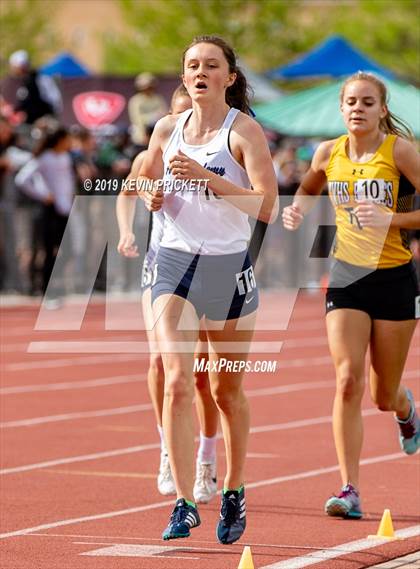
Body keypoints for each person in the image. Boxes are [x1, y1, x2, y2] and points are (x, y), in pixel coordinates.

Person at [117, 35, 278, 544]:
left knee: (226, 389)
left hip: (228, 268)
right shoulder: (166, 129)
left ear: (229, 77)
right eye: (192, 65)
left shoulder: (244, 132)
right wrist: (150, 194)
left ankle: (233, 488)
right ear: (184, 77)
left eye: (211, 64)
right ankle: (185, 502)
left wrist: (212, 181)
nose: (200, 71)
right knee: (177, 380)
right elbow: (143, 182)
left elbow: (267, 206)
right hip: (173, 263)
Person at [282, 72, 419, 520]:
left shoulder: (398, 151)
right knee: (346, 380)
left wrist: (390, 220)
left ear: (382, 109)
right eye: (351, 102)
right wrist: (298, 210)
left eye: (367, 102)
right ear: (340, 109)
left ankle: (406, 408)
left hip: (395, 277)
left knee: (382, 395)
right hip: (345, 277)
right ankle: (349, 488)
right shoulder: (328, 152)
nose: (357, 109)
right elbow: (308, 185)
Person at [121, 84, 219, 504]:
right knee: (160, 363)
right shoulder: (154, 151)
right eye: (176, 116)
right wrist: (129, 227)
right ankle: (167, 448)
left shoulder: (219, 148)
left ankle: (207, 457)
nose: (182, 123)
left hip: (210, 266)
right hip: (161, 266)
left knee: (202, 375)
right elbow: (128, 191)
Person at [9, 50, 62, 125]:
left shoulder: (40, 78)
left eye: (22, 67)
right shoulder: (12, 82)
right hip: (26, 123)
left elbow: (54, 99)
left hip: (44, 119)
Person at [128, 72, 168, 146]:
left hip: (157, 134)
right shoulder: (135, 100)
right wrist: (144, 134)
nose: (148, 88)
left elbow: (164, 114)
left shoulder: (158, 99)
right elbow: (136, 119)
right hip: (140, 137)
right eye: (146, 86)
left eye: (150, 86)